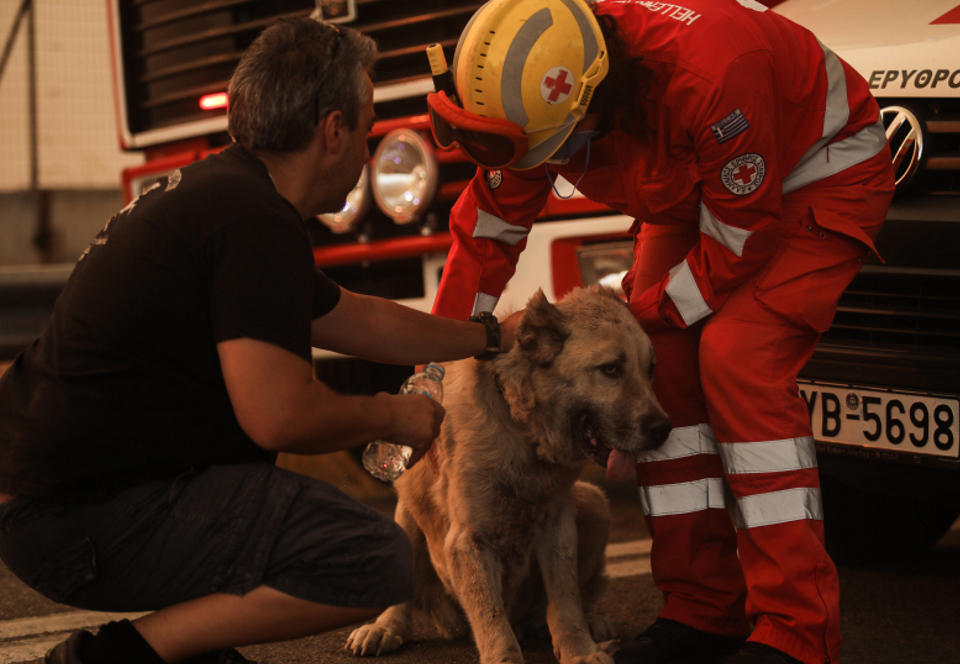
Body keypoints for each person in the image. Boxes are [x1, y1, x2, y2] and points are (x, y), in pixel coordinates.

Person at [0, 16, 516, 664]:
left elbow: (357, 319)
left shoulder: (220, 194)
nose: (366, 150)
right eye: (365, 127)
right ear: (332, 131)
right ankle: (115, 659)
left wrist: (487, 335)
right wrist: (393, 414)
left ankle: (193, 653)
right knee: (372, 557)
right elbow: (279, 415)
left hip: (53, 501)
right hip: (74, 519)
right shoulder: (252, 221)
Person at [424, 1, 896, 663]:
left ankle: (796, 631)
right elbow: (486, 233)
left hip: (813, 176)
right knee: (661, 370)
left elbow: (738, 239)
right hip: (700, 191)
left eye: (553, 148)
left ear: (594, 100)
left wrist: (631, 319)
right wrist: (431, 367)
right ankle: (702, 610)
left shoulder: (716, 75)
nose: (546, 164)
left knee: (738, 361)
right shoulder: (532, 94)